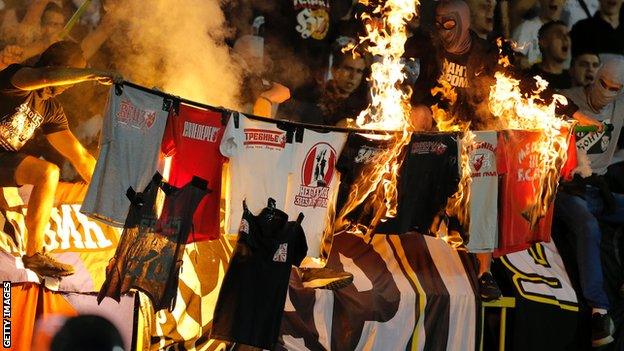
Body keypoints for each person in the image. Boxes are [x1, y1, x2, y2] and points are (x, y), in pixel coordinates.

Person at [0, 40, 121, 278]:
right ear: (60, 69)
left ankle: (34, 255)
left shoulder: (51, 109)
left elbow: (80, 156)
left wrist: (107, 195)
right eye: (73, 75)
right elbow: (45, 77)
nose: (73, 84)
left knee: (48, 172)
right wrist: (92, 74)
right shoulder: (16, 77)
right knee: (48, 171)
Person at [556, 57, 624, 347]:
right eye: (603, 84)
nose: (606, 92)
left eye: (614, 88)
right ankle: (599, 311)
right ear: (594, 78)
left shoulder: (620, 106)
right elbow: (544, 98)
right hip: (568, 190)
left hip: (601, 188)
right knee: (587, 227)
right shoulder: (570, 99)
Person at [275, 37, 368, 125]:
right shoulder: (312, 96)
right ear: (334, 70)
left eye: (359, 71)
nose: (353, 76)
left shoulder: (364, 106)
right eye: (348, 69)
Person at [512, 0, 565, 68]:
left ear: (564, 2)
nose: (553, 1)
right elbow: (514, 61)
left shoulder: (568, 34)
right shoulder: (526, 29)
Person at [526, 20, 572, 89]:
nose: (566, 38)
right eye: (559, 35)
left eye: (568, 35)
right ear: (544, 42)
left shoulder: (573, 79)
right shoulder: (530, 77)